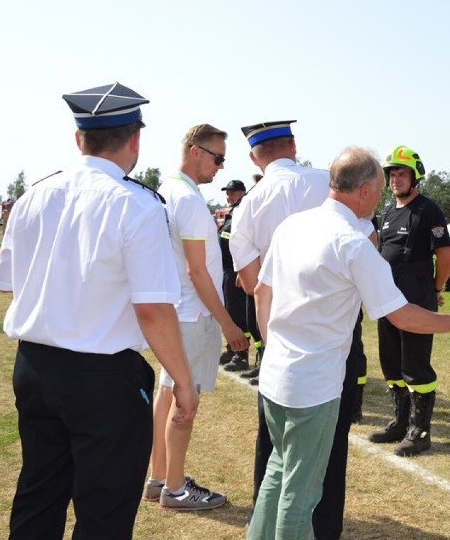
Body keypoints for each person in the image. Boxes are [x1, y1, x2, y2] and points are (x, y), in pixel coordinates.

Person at [0, 82, 199, 539]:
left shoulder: (32, 196)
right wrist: (183, 381)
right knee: (104, 510)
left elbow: (10, 284)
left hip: (36, 365)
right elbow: (152, 309)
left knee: (38, 494)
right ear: (134, 141)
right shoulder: (138, 205)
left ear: (77, 139)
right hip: (103, 377)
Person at [247, 146, 450, 538]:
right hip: (313, 386)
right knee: (300, 499)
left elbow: (261, 292)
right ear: (365, 190)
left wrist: (275, 346)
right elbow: (401, 314)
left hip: (275, 375)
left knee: (276, 476)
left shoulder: (292, 226)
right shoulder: (351, 241)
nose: (382, 198)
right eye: (380, 189)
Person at [229, 120, 356, 538]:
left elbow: (252, 284)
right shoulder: (326, 182)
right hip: (333, 336)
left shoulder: (247, 205)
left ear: (254, 158)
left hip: (279, 337)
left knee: (275, 455)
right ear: (294, 146)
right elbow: (365, 245)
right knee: (328, 449)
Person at [145, 124, 249, 510]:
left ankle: (159, 478)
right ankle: (174, 488)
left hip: (177, 311)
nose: (221, 167)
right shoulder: (187, 199)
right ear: (195, 151)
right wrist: (228, 323)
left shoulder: (168, 189)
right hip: (192, 312)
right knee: (185, 401)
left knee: (168, 392)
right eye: (218, 157)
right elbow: (197, 271)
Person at [369, 145, 450, 457]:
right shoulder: (387, 213)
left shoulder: (427, 209)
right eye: (391, 174)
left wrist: (434, 288)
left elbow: (445, 256)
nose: (394, 179)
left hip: (416, 298)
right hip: (386, 299)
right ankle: (399, 422)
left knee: (416, 365)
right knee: (391, 363)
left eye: (401, 173)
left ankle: (420, 432)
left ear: (414, 176)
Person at [217, 179, 261, 369]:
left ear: (243, 192)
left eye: (233, 192)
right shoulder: (232, 212)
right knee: (232, 312)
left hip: (239, 272)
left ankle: (242, 355)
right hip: (227, 271)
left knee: (244, 316)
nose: (229, 196)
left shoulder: (245, 211)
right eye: (227, 192)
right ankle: (233, 348)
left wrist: (240, 269)